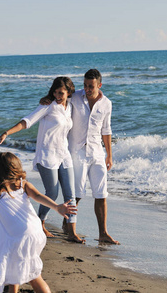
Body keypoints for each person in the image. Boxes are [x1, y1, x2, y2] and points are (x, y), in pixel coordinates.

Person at [0, 77, 84, 243]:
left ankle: (71, 232)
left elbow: (86, 94)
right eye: (55, 92)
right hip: (47, 155)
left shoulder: (70, 106)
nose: (57, 95)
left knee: (71, 194)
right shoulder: (48, 105)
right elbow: (28, 121)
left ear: (68, 92)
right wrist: (7, 132)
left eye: (61, 92)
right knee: (53, 193)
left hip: (64, 155)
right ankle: (40, 222)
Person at [0, 152, 77, 293]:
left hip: (17, 236)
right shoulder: (22, 184)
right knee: (19, 270)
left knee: (30, 276)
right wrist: (57, 207)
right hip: (35, 231)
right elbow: (39, 196)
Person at [41, 69, 119, 245]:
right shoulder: (75, 97)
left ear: (99, 85)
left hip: (97, 153)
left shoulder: (107, 104)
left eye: (90, 86)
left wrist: (109, 155)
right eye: (85, 85)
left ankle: (103, 233)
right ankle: (69, 225)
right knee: (76, 193)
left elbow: (106, 131)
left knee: (101, 194)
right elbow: (58, 98)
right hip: (76, 152)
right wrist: (46, 99)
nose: (87, 89)